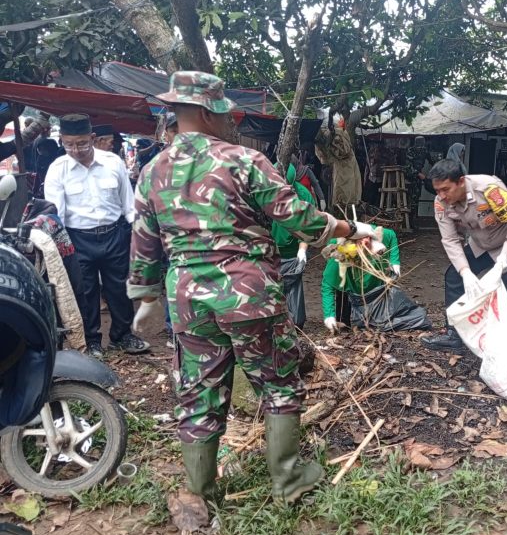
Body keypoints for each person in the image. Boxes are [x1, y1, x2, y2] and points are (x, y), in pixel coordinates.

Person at [126, 71, 377, 505]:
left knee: (199, 390)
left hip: (187, 299)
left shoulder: (151, 171)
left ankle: (201, 493)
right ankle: (288, 479)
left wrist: (146, 299)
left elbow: (144, 243)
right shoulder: (242, 161)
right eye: (224, 114)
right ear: (206, 112)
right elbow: (298, 216)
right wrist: (348, 228)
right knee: (278, 383)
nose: (231, 123)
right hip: (248, 293)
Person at [43, 114, 149, 358]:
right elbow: (55, 212)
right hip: (77, 239)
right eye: (69, 144)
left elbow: (128, 204)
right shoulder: (58, 169)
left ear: (92, 138)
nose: (75, 149)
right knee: (86, 291)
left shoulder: (113, 163)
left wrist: (136, 234)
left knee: (120, 288)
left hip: (114, 234)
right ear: (62, 141)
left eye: (81, 143)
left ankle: (123, 336)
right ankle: (92, 342)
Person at [421, 159, 507, 352]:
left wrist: (505, 256)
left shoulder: (489, 188)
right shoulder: (441, 203)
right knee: (454, 277)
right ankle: (454, 334)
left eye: (446, 189)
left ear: (461, 181)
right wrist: (465, 272)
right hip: (481, 244)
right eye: (437, 190)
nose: (441, 195)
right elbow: (450, 240)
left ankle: (503, 343)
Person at [321, 226, 430, 332]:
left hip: (377, 282)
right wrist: (329, 315)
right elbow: (328, 286)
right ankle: (345, 323)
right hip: (351, 284)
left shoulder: (380, 236)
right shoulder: (340, 254)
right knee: (343, 295)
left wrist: (394, 262)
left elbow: (392, 235)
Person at [271, 162, 313, 329]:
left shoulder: (302, 194)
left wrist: (302, 250)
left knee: (294, 283)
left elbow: (309, 226)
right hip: (271, 249)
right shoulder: (266, 193)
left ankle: (296, 322)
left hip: (294, 250)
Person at [404, 136, 435, 228]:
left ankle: (413, 221)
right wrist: (418, 173)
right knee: (409, 199)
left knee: (416, 199)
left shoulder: (424, 151)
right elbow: (408, 166)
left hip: (418, 178)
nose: (421, 145)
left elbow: (432, 161)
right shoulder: (410, 151)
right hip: (410, 177)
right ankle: (408, 222)